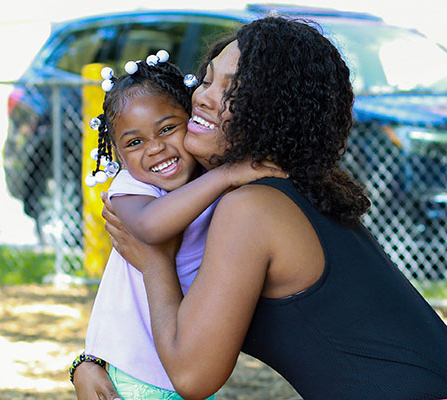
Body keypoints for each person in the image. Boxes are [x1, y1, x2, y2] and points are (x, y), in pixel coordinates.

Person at [96, 16, 447, 400]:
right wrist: (93, 360)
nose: (204, 98)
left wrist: (154, 260)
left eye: (233, 92)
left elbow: (192, 377)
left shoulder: (251, 208)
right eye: (208, 79)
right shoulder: (283, 187)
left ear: (272, 110)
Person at [72, 50, 286, 400]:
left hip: (188, 363)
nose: (155, 148)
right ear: (119, 154)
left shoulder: (211, 183)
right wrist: (227, 176)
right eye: (135, 142)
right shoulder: (132, 188)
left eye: (168, 128)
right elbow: (151, 227)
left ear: (192, 120)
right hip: (136, 377)